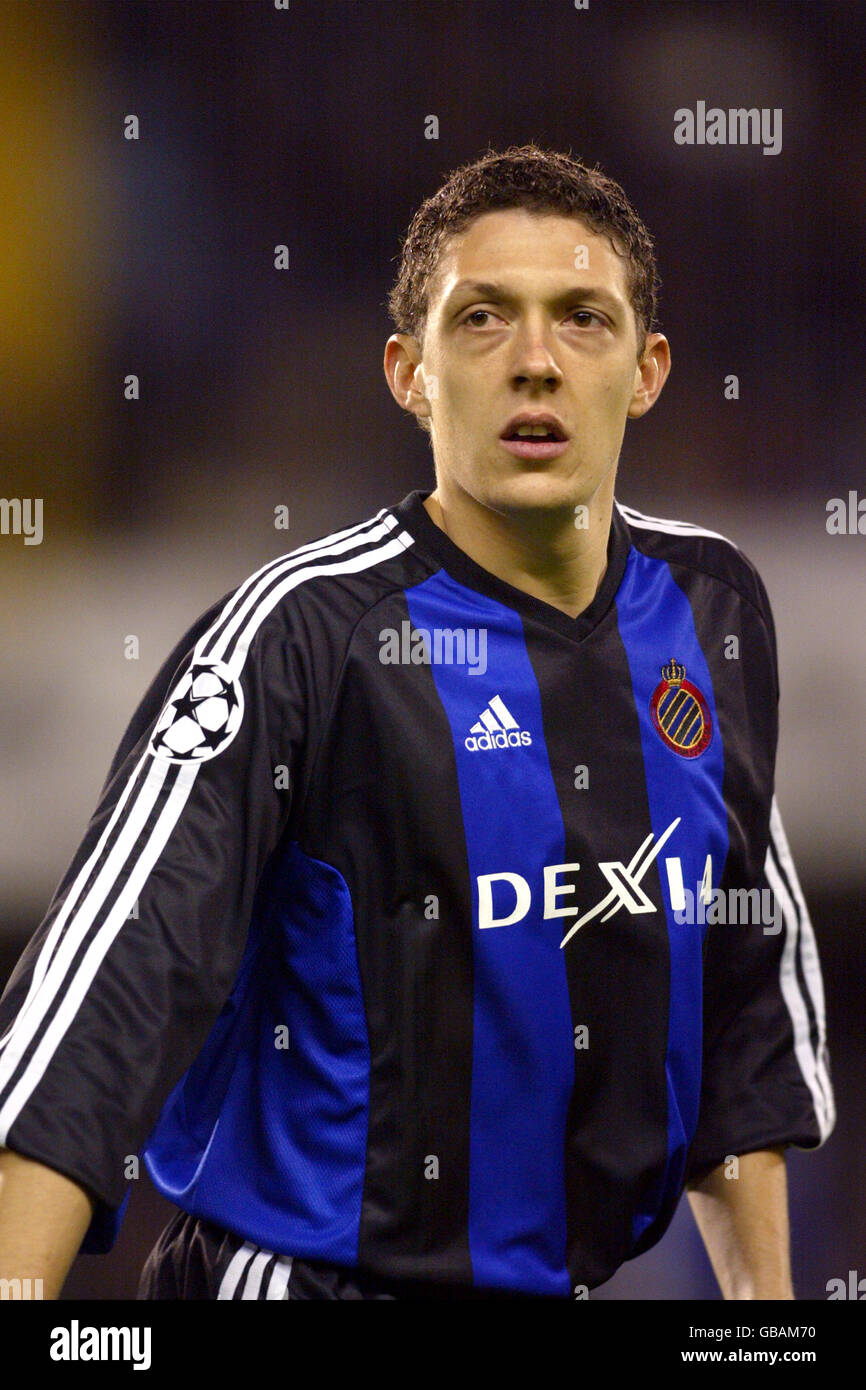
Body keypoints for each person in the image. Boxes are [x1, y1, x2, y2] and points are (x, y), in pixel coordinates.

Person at [0, 144, 834, 1301]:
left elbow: (740, 998)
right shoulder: (301, 638)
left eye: (581, 320)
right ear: (408, 371)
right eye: (482, 319)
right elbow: (101, 1001)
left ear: (645, 371)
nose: (534, 363)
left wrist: (763, 1321)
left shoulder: (711, 610)